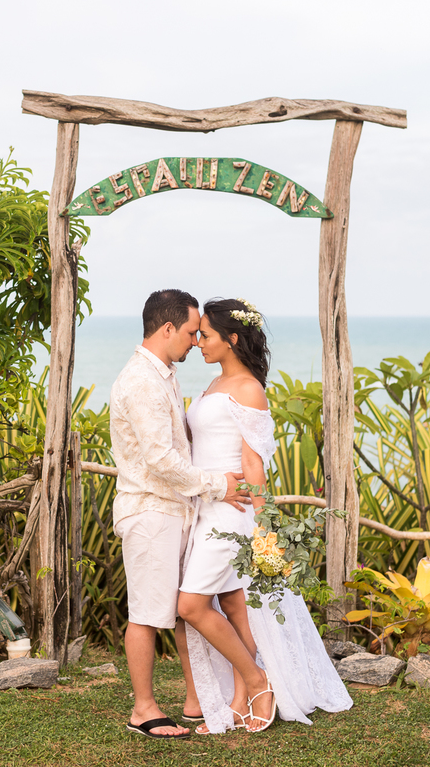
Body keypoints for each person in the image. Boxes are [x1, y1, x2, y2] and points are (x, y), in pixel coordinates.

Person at [177, 298, 353, 734]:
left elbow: (253, 463)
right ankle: (242, 698)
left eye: (206, 335)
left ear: (232, 339)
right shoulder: (215, 383)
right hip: (207, 508)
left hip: (232, 514)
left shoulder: (249, 388)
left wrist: (264, 526)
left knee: (191, 605)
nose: (198, 342)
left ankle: (258, 681)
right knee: (234, 606)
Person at [108, 289, 249, 740]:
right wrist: (218, 484)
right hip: (151, 512)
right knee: (147, 613)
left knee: (186, 608)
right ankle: (144, 709)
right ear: (167, 328)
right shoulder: (141, 382)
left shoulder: (163, 373)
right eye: (190, 332)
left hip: (175, 511)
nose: (195, 341)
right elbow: (160, 460)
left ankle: (194, 699)